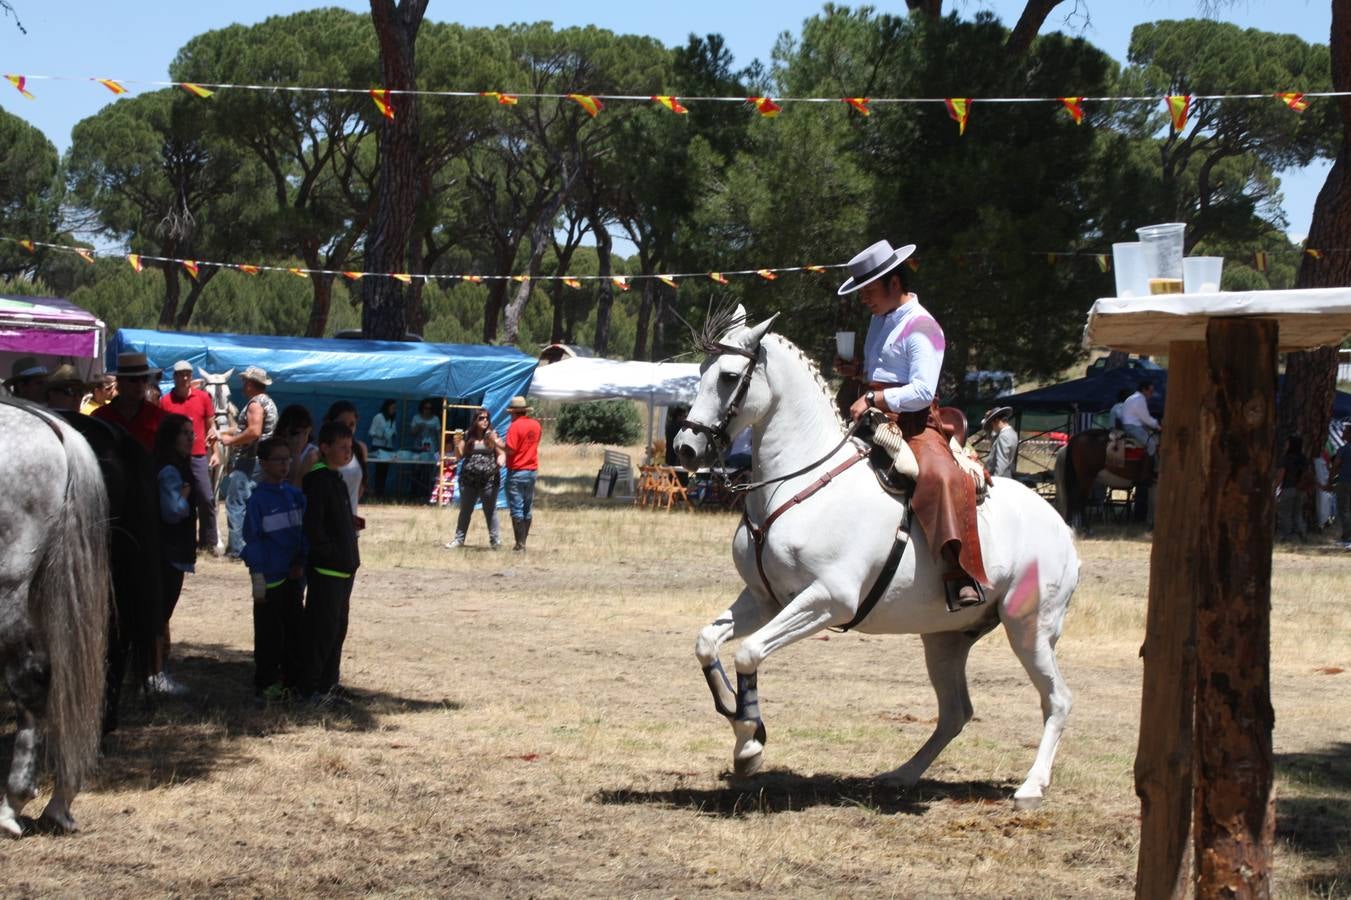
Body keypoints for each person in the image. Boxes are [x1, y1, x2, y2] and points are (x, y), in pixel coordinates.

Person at [833, 239, 988, 611]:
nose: (864, 300)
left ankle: (958, 571)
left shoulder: (924, 327)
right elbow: (880, 371)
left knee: (939, 476)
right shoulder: (877, 320)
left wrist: (874, 398)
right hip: (870, 413)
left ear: (894, 284)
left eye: (868, 291)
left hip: (915, 422)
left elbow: (921, 391)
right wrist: (858, 374)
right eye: (861, 292)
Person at [242, 436, 307, 704]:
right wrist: (258, 577)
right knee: (269, 634)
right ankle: (266, 682)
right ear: (264, 463)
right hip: (270, 580)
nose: (284, 465)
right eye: (278, 460)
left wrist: (301, 561)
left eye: (287, 459)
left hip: (294, 576)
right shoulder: (258, 500)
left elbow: (304, 534)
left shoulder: (295, 496)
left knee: (294, 631)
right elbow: (253, 540)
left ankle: (292, 681)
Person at [303, 420, 361, 703]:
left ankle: (329, 683)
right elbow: (313, 525)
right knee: (321, 630)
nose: (347, 452)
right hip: (327, 569)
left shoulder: (335, 478)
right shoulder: (318, 479)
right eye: (342, 447)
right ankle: (312, 688)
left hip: (343, 569)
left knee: (337, 628)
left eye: (350, 447)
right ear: (325, 448)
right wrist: (328, 551)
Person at [149, 413, 197, 697]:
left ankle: (158, 670)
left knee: (162, 614)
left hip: (172, 552)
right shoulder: (170, 470)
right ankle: (154, 673)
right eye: (185, 434)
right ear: (171, 438)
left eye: (192, 433)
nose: (191, 438)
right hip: (166, 552)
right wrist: (186, 493)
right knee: (159, 614)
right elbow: (172, 511)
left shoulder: (178, 466)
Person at [160, 360, 221, 555]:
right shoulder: (166, 401)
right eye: (180, 374)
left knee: (206, 496)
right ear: (175, 377)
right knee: (176, 498)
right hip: (174, 457)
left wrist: (216, 451)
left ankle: (209, 541)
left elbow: (212, 427)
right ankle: (178, 539)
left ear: (191, 376)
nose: (185, 377)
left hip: (198, 454)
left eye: (187, 374)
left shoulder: (203, 398)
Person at [219, 366, 278, 559]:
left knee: (236, 503)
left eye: (245, 381)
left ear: (252, 384)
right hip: (263, 460)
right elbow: (245, 428)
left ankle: (237, 549)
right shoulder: (267, 402)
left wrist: (230, 441)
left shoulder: (254, 404)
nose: (243, 385)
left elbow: (253, 431)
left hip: (249, 461)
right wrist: (224, 432)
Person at [445, 406, 504, 549]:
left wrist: (500, 461)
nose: (484, 421)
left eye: (486, 418)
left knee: (490, 511)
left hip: (489, 479)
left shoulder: (492, 435)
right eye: (481, 418)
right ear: (475, 420)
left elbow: (501, 452)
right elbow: (459, 457)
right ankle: (459, 540)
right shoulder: (467, 436)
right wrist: (457, 444)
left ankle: (495, 541)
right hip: (469, 479)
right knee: (465, 510)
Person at [304, 401, 367, 528]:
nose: (348, 428)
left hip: (350, 526)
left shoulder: (360, 449)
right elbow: (303, 490)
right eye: (343, 424)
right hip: (326, 528)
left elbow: (361, 485)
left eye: (352, 424)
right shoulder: (316, 455)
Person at [92, 352, 166, 453]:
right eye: (133, 379)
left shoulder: (159, 417)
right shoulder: (100, 417)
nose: (140, 385)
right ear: (120, 382)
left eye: (144, 379)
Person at [504, 396, 541, 552]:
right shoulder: (536, 425)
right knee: (527, 507)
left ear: (513, 412)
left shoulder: (514, 426)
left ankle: (520, 544)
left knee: (517, 508)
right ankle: (523, 543)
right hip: (531, 470)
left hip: (517, 470)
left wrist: (498, 446)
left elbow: (511, 449)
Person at [1275, 435, 1313, 542]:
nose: (1285, 445)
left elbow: (1281, 475)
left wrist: (1275, 487)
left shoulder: (1285, 459)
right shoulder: (1303, 459)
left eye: (1287, 443)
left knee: (1285, 514)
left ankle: (1287, 536)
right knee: (1298, 513)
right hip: (1301, 489)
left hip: (1288, 488)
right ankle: (1301, 534)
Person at [408, 398, 442, 500]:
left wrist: (441, 448)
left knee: (429, 473)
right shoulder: (416, 418)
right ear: (421, 408)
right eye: (425, 408)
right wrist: (419, 427)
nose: (427, 410)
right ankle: (414, 494)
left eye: (430, 408)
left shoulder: (436, 419)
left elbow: (439, 434)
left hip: (432, 449)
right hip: (418, 448)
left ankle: (427, 494)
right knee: (416, 471)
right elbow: (412, 433)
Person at [275, 404, 315, 489]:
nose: (299, 438)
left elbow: (296, 486)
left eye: (305, 433)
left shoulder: (312, 454)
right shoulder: (275, 450)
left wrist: (296, 453)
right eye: (293, 433)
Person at [368, 399, 398, 498]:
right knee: (379, 470)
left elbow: (394, 431)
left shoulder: (392, 419)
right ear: (387, 407)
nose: (394, 409)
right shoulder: (378, 417)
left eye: (395, 408)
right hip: (378, 446)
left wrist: (392, 434)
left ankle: (381, 492)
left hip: (388, 447)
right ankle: (376, 492)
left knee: (385, 471)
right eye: (392, 407)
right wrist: (380, 436)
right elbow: (371, 432)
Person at [1120, 380, 1161, 454]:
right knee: (1152, 444)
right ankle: (1149, 465)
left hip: (1130, 425)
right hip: (1132, 427)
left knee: (1150, 437)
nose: (1151, 394)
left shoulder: (1133, 397)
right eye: (1150, 391)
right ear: (1144, 390)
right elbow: (1146, 419)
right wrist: (1158, 426)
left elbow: (1142, 419)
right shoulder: (1139, 399)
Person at [982, 406, 1018, 479]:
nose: (993, 428)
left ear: (997, 420)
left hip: (1000, 478)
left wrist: (996, 480)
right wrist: (987, 418)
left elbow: (1002, 462)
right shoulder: (1011, 433)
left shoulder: (1004, 436)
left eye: (992, 424)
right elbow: (991, 435)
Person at [1336, 424, 1351, 547]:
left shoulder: (1343, 450)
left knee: (1343, 509)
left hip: (1344, 482)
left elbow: (1336, 465)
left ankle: (1347, 536)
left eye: (1345, 431)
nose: (1342, 433)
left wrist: (1330, 480)